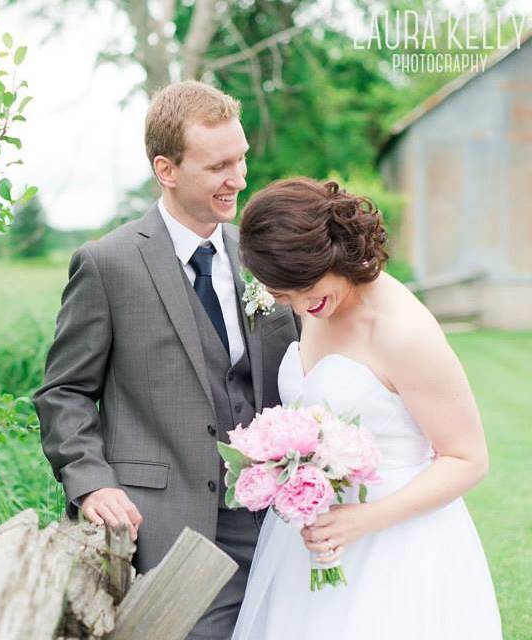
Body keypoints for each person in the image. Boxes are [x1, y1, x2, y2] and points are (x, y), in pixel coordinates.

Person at [32, 81, 300, 640]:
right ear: (167, 169)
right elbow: (64, 393)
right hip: (164, 524)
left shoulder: (259, 259)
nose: (240, 178)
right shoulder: (109, 265)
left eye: (242, 158)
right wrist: (92, 483)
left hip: (274, 520)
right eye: (219, 165)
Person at [231, 177, 501, 639]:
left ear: (332, 254)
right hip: (310, 541)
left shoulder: (401, 331)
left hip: (396, 544)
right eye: (282, 295)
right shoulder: (317, 301)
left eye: (303, 287)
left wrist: (363, 520)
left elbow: (468, 458)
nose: (298, 305)